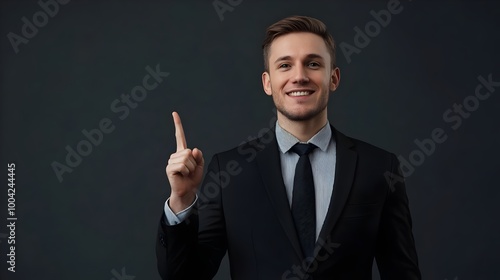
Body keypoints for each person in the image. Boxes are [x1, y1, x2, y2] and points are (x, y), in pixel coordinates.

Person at [156, 15, 421, 280]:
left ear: (334, 78)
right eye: (285, 65)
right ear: (267, 83)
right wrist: (181, 200)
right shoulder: (229, 171)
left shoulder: (379, 167)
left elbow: (402, 273)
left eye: (313, 63)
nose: (300, 76)